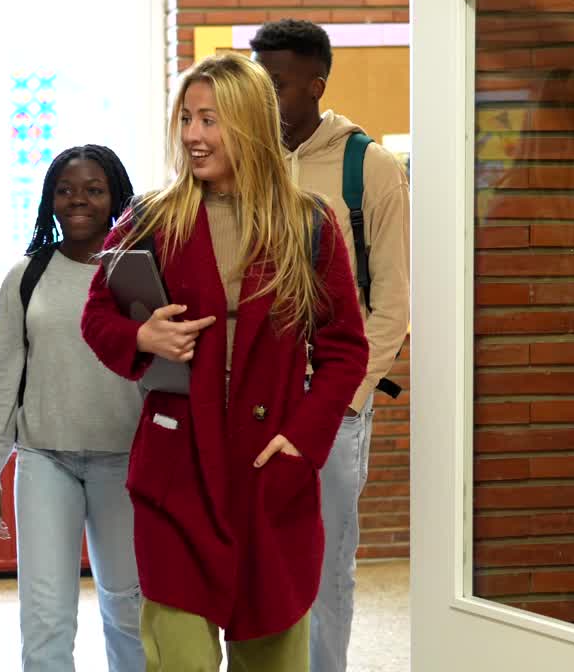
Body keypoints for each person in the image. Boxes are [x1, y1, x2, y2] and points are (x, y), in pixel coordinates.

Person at [81, 53, 369, 671]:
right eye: (186, 118)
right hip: (176, 471)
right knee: (177, 652)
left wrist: (302, 440)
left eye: (210, 119)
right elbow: (97, 317)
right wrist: (142, 337)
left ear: (250, 124)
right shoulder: (152, 217)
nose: (192, 135)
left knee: (272, 652)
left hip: (272, 471)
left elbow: (346, 350)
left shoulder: (309, 223)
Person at [250, 19, 411, 672]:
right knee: (258, 554)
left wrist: (347, 400)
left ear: (315, 84)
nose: (263, 97)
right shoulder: (242, 160)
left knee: (326, 562)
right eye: (256, 81)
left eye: (277, 83)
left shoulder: (367, 165)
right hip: (256, 396)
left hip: (334, 399)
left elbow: (393, 302)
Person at [0, 145, 145, 671]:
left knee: (128, 607)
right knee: (45, 615)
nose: (79, 201)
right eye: (65, 190)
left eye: (94, 190)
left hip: (126, 460)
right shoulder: (25, 277)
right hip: (45, 460)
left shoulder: (139, 273)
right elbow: (3, 380)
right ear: (50, 200)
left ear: (116, 196)